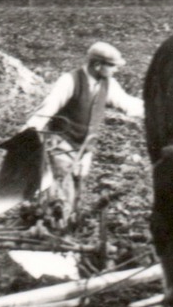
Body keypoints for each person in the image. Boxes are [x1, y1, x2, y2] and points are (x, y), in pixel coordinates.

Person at [21, 42, 144, 226]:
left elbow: (127, 103)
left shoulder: (109, 84)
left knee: (78, 189)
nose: (116, 70)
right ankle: (52, 229)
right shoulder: (69, 81)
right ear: (97, 65)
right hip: (63, 142)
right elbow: (49, 107)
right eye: (112, 65)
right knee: (63, 189)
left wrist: (157, 109)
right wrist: (28, 131)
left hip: (85, 146)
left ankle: (69, 227)